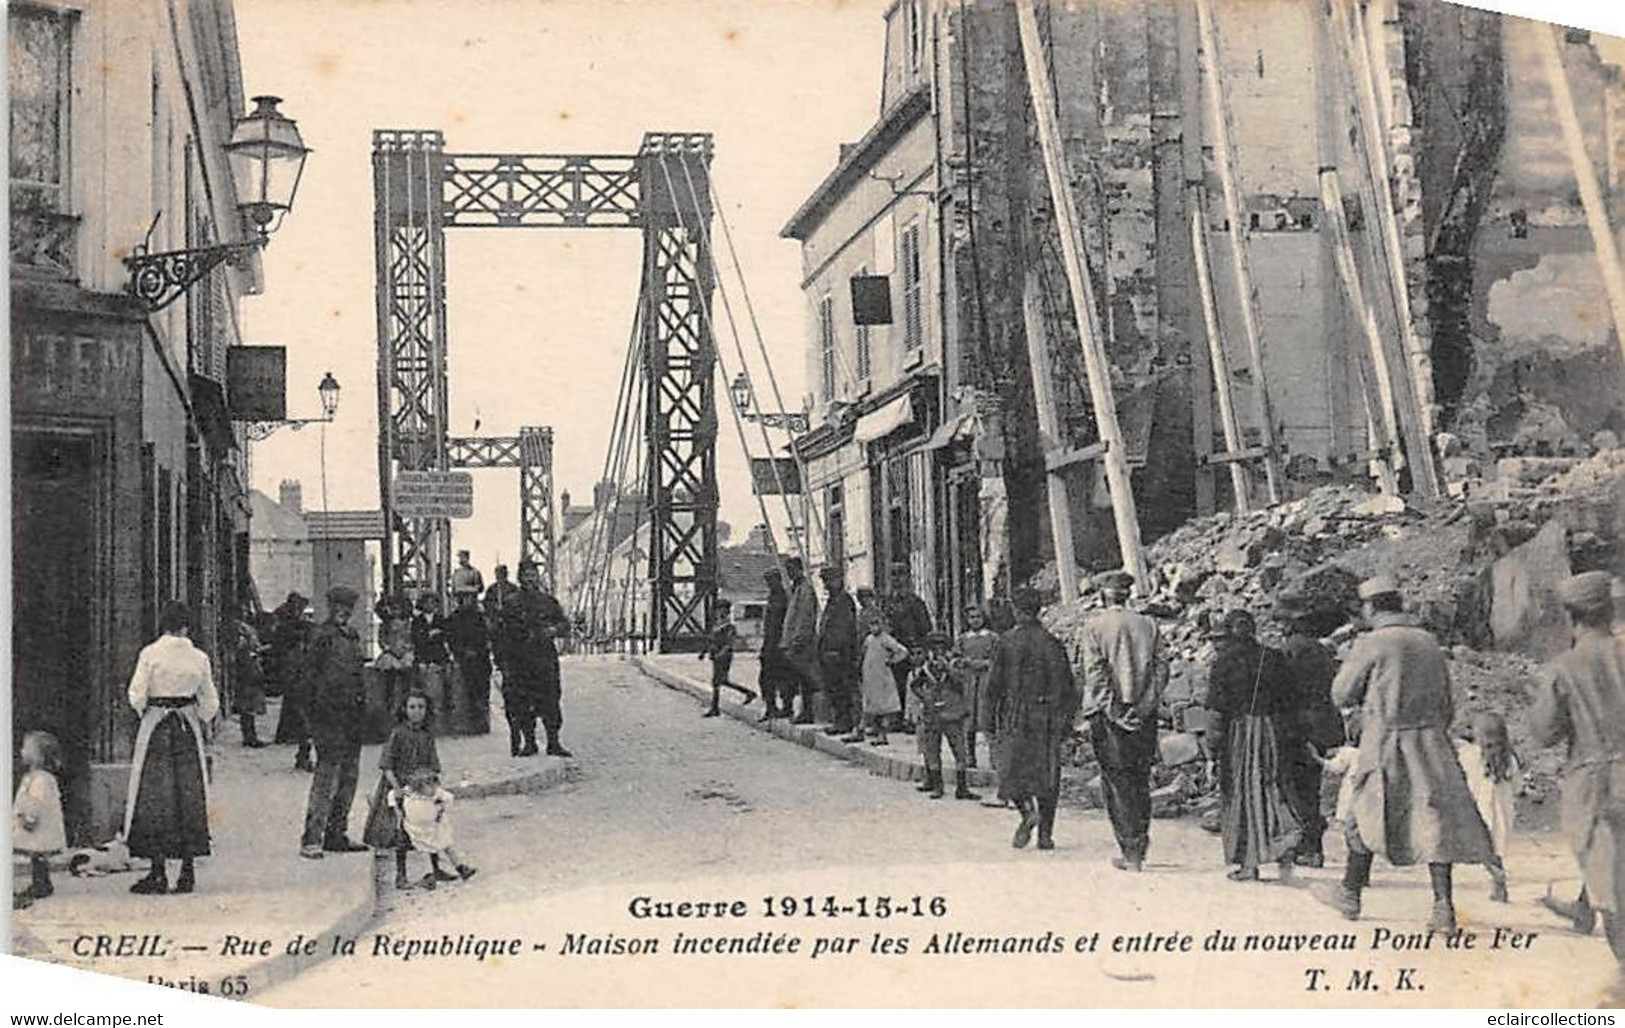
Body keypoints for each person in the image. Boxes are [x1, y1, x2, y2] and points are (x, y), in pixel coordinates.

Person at [1317, 574, 1494, 933]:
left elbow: (1340, 695)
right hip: (1431, 743)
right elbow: (1447, 702)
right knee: (1434, 821)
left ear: (1370, 607)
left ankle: (1350, 893)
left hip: (1386, 741)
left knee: (1364, 812)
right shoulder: (1428, 641)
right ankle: (1443, 907)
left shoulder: (1372, 642)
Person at [1530, 570, 1625, 958]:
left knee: (1610, 883)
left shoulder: (1564, 667)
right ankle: (1583, 907)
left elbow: (1544, 734)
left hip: (1595, 782)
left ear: (1571, 617)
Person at [125, 600, 220, 894]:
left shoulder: (150, 654)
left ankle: (157, 872)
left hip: (157, 727)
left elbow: (136, 694)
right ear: (186, 626)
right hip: (187, 728)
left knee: (155, 798)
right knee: (189, 797)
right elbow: (210, 702)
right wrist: (195, 716)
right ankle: (187, 872)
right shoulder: (199, 657)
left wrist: (149, 712)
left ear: (163, 625)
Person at [1075, 571, 1167, 871]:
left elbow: (1096, 675)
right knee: (1140, 778)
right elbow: (1161, 670)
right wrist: (1142, 708)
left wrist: (1117, 712)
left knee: (1116, 781)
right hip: (1144, 716)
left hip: (1109, 718)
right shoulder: (1149, 625)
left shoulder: (1094, 627)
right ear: (1127, 595)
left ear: (1103, 595)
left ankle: (1130, 851)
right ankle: (1140, 842)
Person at [1207, 609, 1301, 883]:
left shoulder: (1223, 663)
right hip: (1271, 730)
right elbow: (1290, 700)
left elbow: (1215, 710)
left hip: (1240, 732)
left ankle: (1249, 864)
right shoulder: (1273, 658)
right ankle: (1283, 845)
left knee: (1242, 794)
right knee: (1272, 787)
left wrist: (1212, 748)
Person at [986, 587, 1079, 851]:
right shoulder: (1052, 642)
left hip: (1015, 713)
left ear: (1016, 610)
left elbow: (993, 686)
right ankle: (1046, 836)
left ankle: (1027, 812)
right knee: (1048, 774)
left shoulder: (1006, 642)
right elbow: (1068, 687)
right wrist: (1067, 721)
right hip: (1047, 716)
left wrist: (989, 721)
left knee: (1011, 770)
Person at [1274, 592, 1345, 867]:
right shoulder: (1318, 648)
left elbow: (1287, 691)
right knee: (1309, 786)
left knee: (1294, 784)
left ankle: (1307, 843)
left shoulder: (1294, 648)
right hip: (1323, 722)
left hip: (1300, 724)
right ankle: (1310, 844)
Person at [300, 586, 370, 860]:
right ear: (331, 608)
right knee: (326, 777)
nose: (344, 612)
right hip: (327, 716)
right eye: (339, 607)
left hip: (351, 715)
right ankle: (311, 838)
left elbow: (357, 675)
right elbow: (307, 679)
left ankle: (336, 833)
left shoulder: (352, 637)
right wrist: (311, 719)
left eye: (348, 609)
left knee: (349, 777)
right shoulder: (321, 636)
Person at [362, 691, 442, 890]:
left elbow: (433, 763)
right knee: (402, 831)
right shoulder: (397, 734)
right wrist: (397, 788)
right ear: (404, 710)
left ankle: (436, 868)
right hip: (401, 787)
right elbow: (387, 765)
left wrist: (434, 786)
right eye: (412, 707)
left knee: (431, 825)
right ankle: (401, 875)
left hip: (422, 786)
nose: (416, 712)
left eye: (421, 707)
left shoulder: (427, 735)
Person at [497, 560, 573, 757]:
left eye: (533, 575)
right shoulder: (511, 603)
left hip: (545, 658)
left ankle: (553, 742)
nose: (530, 579)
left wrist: (553, 630)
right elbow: (502, 633)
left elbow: (565, 625)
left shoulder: (548, 602)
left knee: (550, 700)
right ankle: (529, 743)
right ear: (520, 578)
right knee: (522, 702)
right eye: (526, 575)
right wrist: (504, 662)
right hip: (520, 660)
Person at [910, 631, 979, 801]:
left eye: (941, 646)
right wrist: (924, 697)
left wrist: (947, 667)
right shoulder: (927, 667)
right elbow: (915, 684)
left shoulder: (955, 664)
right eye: (934, 646)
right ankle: (937, 785)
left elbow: (961, 682)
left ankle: (962, 787)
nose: (938, 649)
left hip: (953, 712)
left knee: (960, 750)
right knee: (933, 749)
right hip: (933, 713)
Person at [1456, 711, 1516, 904]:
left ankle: (1496, 874)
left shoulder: (1471, 755)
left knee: (1476, 846)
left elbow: (1463, 778)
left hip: (1478, 807)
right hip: (1503, 810)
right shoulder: (1510, 759)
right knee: (1495, 847)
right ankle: (1498, 884)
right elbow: (1517, 785)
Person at [393, 768, 478, 889]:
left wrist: (441, 805)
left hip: (435, 826)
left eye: (435, 786)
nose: (433, 789)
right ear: (418, 787)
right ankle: (429, 876)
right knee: (424, 850)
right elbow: (393, 795)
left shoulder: (437, 793)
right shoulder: (410, 792)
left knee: (447, 845)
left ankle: (460, 867)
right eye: (429, 787)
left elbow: (449, 797)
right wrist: (397, 811)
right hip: (417, 828)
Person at [13, 730, 66, 908]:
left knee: (39, 856)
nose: (21, 752)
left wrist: (29, 817)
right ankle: (41, 883)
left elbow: (37, 802)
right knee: (37, 857)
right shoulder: (35, 777)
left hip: (39, 826)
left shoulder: (41, 779)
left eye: (25, 749)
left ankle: (41, 884)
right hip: (36, 824)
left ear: (37, 755)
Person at [883, 563, 934, 731]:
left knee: (911, 684)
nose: (897, 579)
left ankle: (911, 720)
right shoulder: (887, 602)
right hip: (893, 648)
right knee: (894, 684)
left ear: (908, 577)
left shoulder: (915, 602)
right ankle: (896, 719)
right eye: (893, 575)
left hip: (911, 648)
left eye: (900, 575)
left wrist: (921, 650)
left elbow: (925, 628)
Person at [270, 592, 315, 770]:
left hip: (293, 670)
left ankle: (293, 741)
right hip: (292, 669)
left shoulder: (287, 619)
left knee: (294, 706)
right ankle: (301, 750)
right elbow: (285, 639)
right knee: (300, 709)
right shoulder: (286, 622)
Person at [817, 566, 861, 736]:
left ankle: (844, 722)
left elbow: (843, 629)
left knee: (842, 689)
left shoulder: (844, 601)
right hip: (830, 653)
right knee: (834, 688)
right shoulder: (833, 600)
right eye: (825, 581)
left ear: (839, 580)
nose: (827, 585)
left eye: (829, 581)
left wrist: (835, 650)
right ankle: (839, 720)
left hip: (840, 654)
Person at [954, 605, 999, 770]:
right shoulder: (963, 639)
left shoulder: (993, 638)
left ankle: (994, 759)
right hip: (969, 683)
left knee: (988, 719)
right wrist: (962, 664)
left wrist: (984, 663)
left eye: (978, 617)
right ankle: (969, 757)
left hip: (986, 682)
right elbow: (955, 660)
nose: (975, 620)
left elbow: (999, 660)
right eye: (971, 617)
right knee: (968, 722)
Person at [857, 608, 908, 746]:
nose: (874, 627)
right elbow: (864, 654)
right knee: (868, 705)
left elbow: (902, 651)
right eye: (871, 624)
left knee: (884, 707)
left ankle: (882, 734)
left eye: (877, 623)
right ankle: (861, 730)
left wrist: (891, 661)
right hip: (870, 676)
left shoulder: (886, 639)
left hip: (883, 678)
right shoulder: (869, 639)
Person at [781, 556, 822, 725]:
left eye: (791, 570)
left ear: (799, 569)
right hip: (794, 641)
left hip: (802, 643)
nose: (789, 574)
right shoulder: (796, 588)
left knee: (805, 679)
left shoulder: (805, 589)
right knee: (798, 678)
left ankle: (808, 712)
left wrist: (798, 639)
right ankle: (802, 710)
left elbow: (805, 617)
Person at [445, 592, 493, 735]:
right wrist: (462, 651)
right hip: (464, 659)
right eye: (465, 598)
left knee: (482, 691)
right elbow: (451, 638)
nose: (468, 601)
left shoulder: (480, 617)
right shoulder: (454, 618)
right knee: (466, 691)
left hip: (480, 659)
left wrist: (482, 649)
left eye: (471, 598)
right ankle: (469, 722)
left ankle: (482, 722)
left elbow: (487, 636)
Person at [698, 599, 757, 716]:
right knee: (722, 681)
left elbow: (729, 643)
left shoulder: (729, 626)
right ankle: (748, 693)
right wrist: (704, 652)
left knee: (717, 681)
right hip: (715, 654)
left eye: (722, 609)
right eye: (718, 609)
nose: (720, 612)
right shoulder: (717, 624)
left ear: (727, 610)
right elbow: (710, 640)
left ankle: (715, 708)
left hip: (724, 655)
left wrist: (721, 653)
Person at [228, 615, 268, 749]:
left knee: (248, 709)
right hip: (247, 677)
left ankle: (250, 736)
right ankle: (249, 737)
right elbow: (246, 657)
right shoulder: (242, 640)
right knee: (248, 709)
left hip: (247, 676)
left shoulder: (244, 633)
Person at [758, 569, 791, 721]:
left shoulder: (784, 598)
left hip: (780, 644)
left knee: (783, 678)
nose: (770, 584)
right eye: (768, 582)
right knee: (765, 679)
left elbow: (783, 623)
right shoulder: (772, 597)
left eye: (771, 581)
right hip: (770, 643)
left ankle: (786, 707)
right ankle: (771, 707)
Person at [412, 593, 452, 717]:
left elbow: (445, 635)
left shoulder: (441, 619)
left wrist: (432, 635)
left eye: (432, 603)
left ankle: (447, 703)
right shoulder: (417, 621)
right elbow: (417, 639)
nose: (429, 605)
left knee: (447, 677)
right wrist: (429, 635)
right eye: (427, 603)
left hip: (439, 654)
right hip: (423, 654)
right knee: (420, 678)